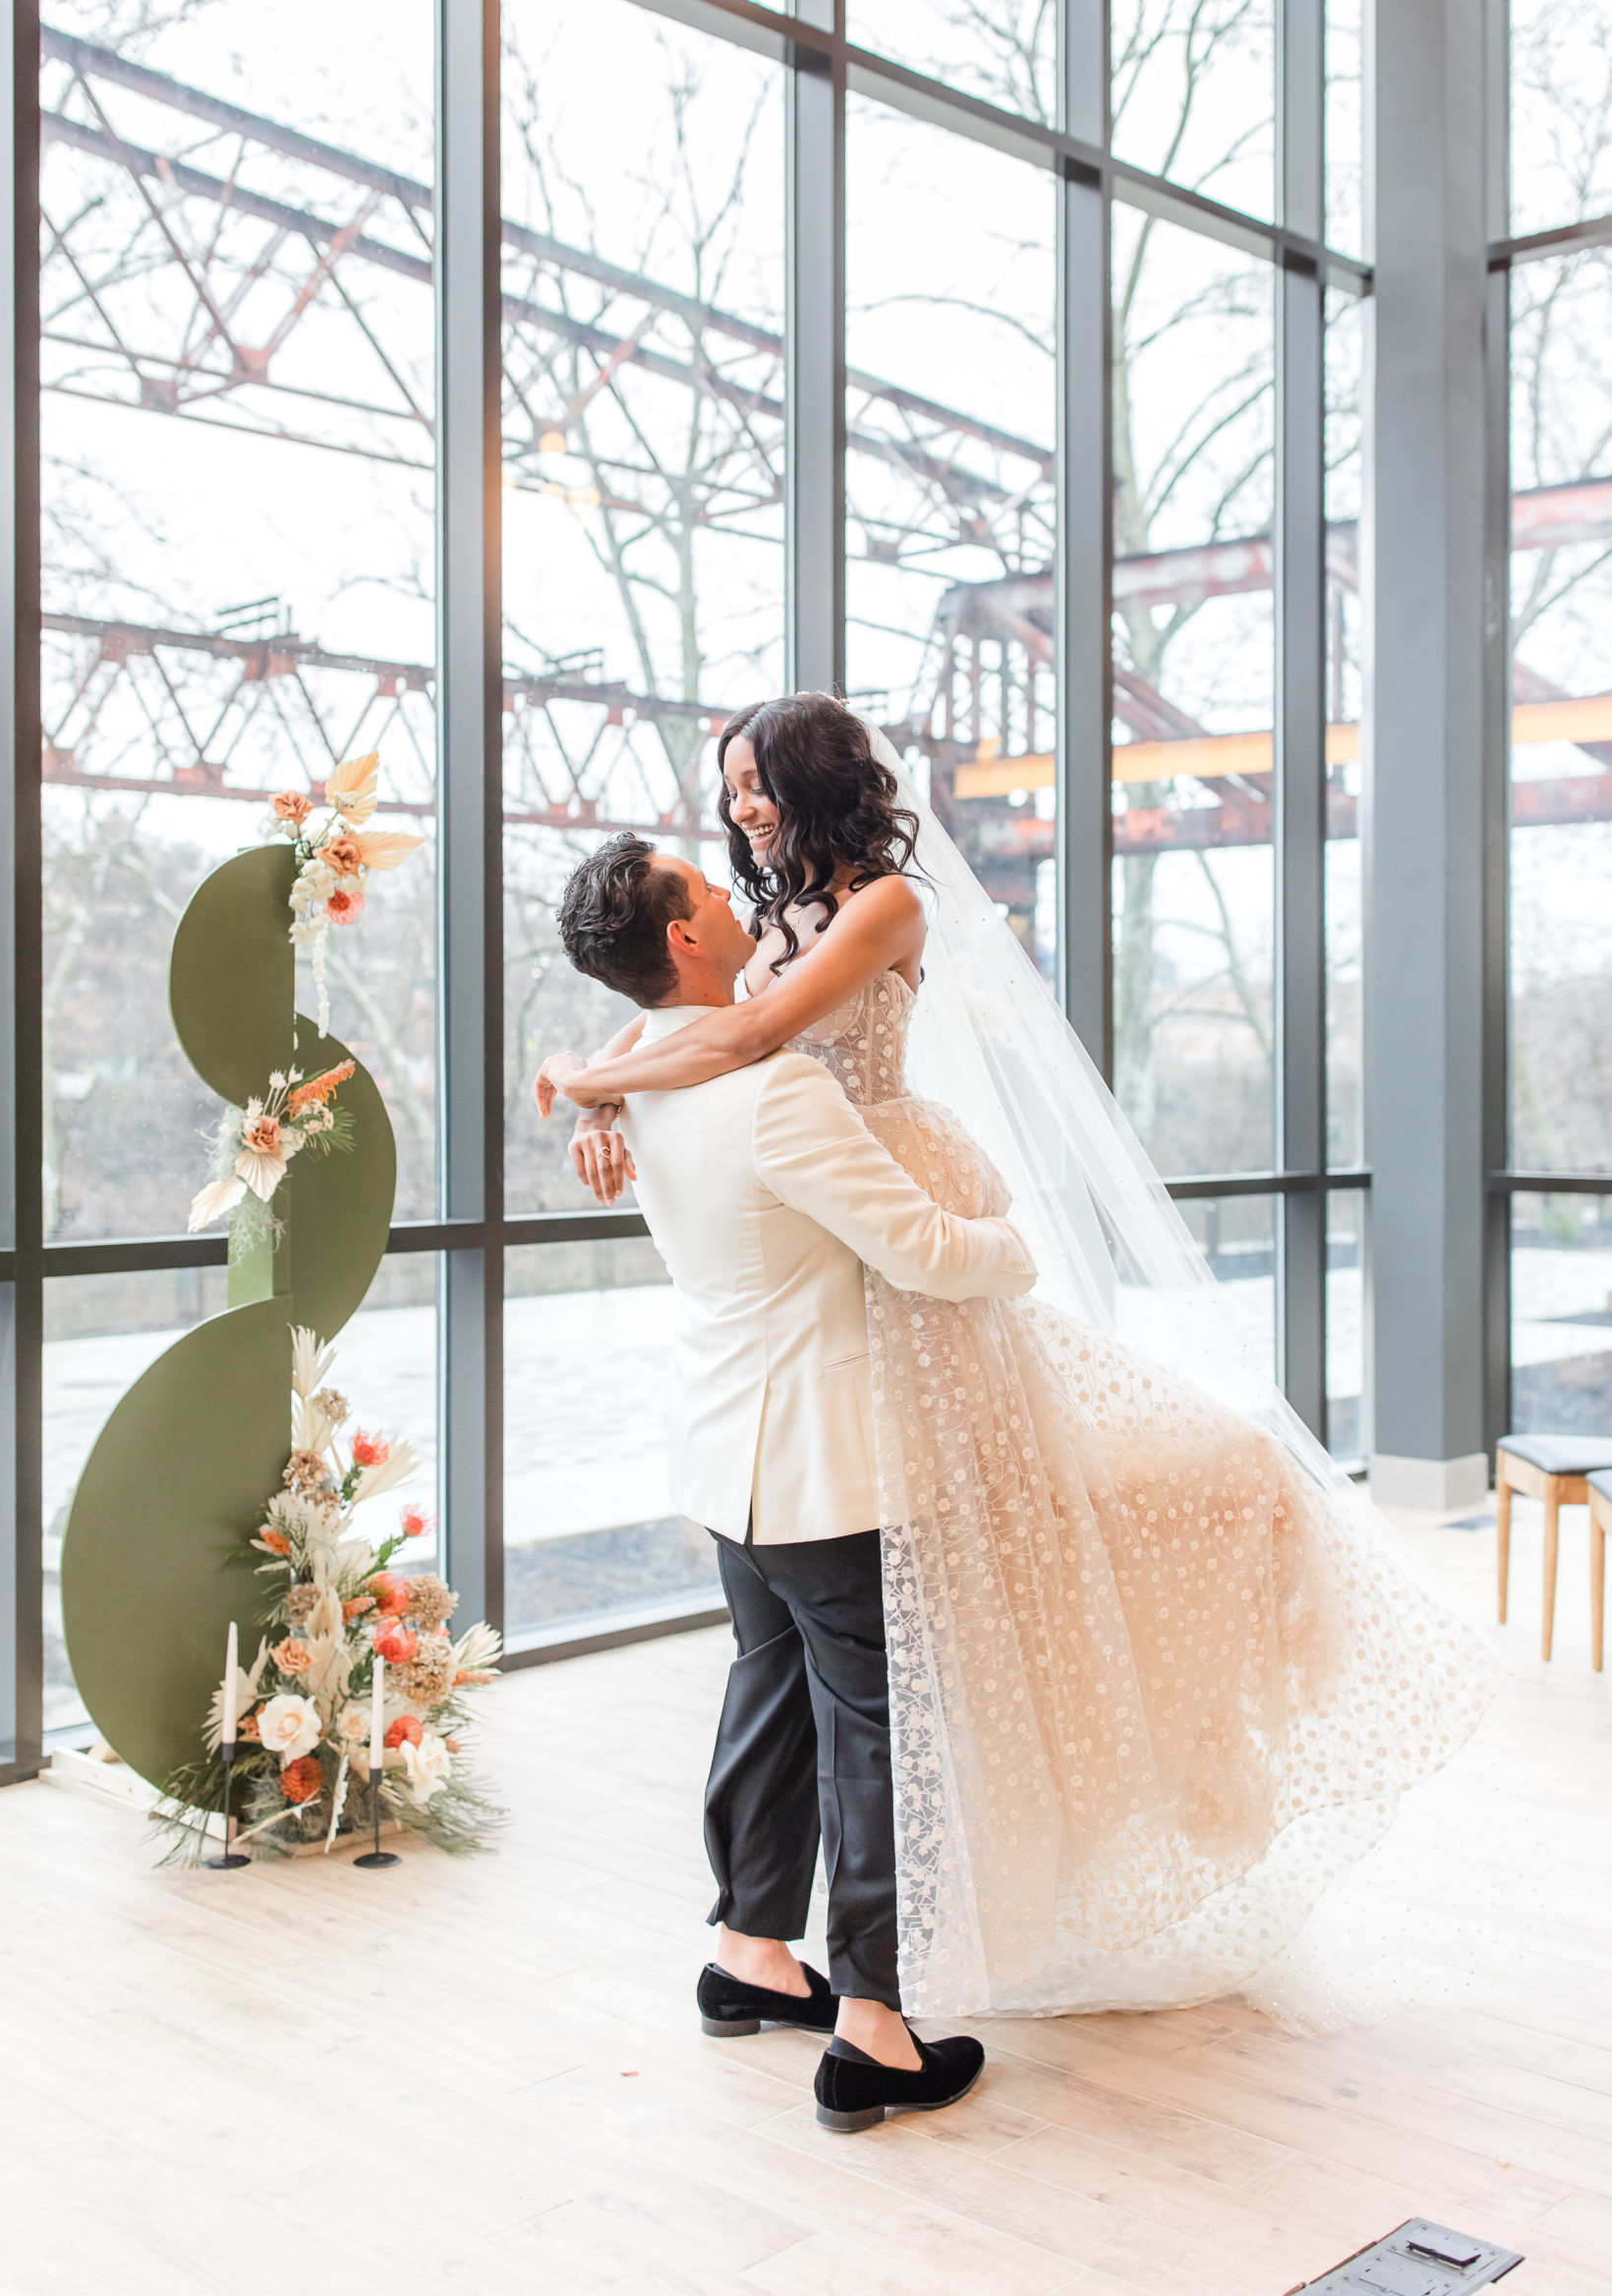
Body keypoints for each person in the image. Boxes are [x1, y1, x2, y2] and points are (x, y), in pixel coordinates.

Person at [538, 695, 1500, 2027]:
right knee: (864, 1639)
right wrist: (596, 1096)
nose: (743, 809)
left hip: (878, 1210)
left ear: (818, 782)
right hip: (824, 1245)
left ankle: (881, 1930)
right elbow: (694, 1033)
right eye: (729, 791)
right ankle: (822, 1969)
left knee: (994, 1556)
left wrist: (595, 1085)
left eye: (757, 783)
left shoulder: (884, 908)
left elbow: (741, 1042)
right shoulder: (745, 938)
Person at [552, 830, 1037, 2129]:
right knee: (873, 1730)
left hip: (724, 1459)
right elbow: (923, 1250)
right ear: (684, 940)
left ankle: (750, 1952)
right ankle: (874, 2026)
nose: (735, 896)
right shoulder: (777, 1091)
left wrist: (585, 1092)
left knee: (768, 1694)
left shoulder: (638, 1088)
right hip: (825, 1469)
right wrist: (1013, 1249)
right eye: (708, 892)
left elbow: (603, 1084)